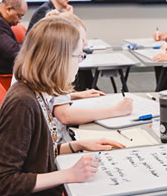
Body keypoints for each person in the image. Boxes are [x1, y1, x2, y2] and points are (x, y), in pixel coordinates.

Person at [0, 16, 150, 196]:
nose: (80, 62)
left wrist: (74, 145)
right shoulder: (22, 103)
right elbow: (4, 181)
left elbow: (36, 152)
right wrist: (69, 175)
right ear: (58, 58)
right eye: (78, 56)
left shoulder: (37, 92)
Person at [43, 10, 133, 142]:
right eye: (82, 39)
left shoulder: (45, 60)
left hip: (57, 145)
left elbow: (49, 99)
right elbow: (65, 115)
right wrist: (116, 110)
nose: (85, 44)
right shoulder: (54, 68)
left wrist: (73, 95)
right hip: (58, 147)